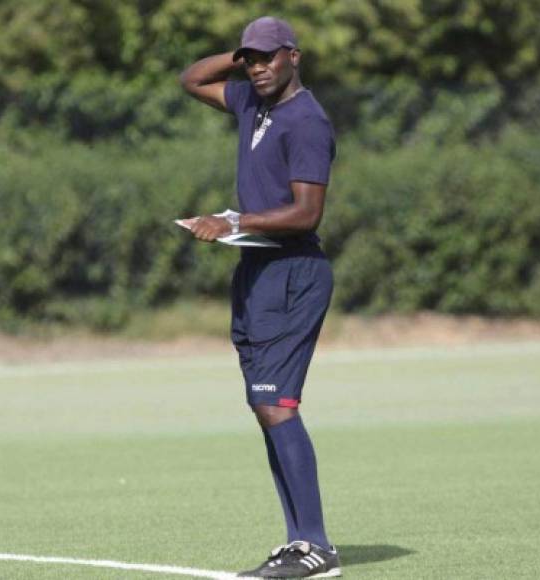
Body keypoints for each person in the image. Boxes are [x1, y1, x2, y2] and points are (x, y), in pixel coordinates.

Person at [178, 16, 341, 579]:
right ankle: (298, 542)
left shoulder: (307, 121)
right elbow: (192, 79)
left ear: (294, 56)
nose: (257, 66)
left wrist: (232, 221)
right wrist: (240, 52)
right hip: (256, 272)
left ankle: (316, 546)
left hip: (294, 273)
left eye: (269, 56)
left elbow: (307, 213)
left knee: (277, 404)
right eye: (251, 58)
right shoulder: (251, 100)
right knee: (264, 406)